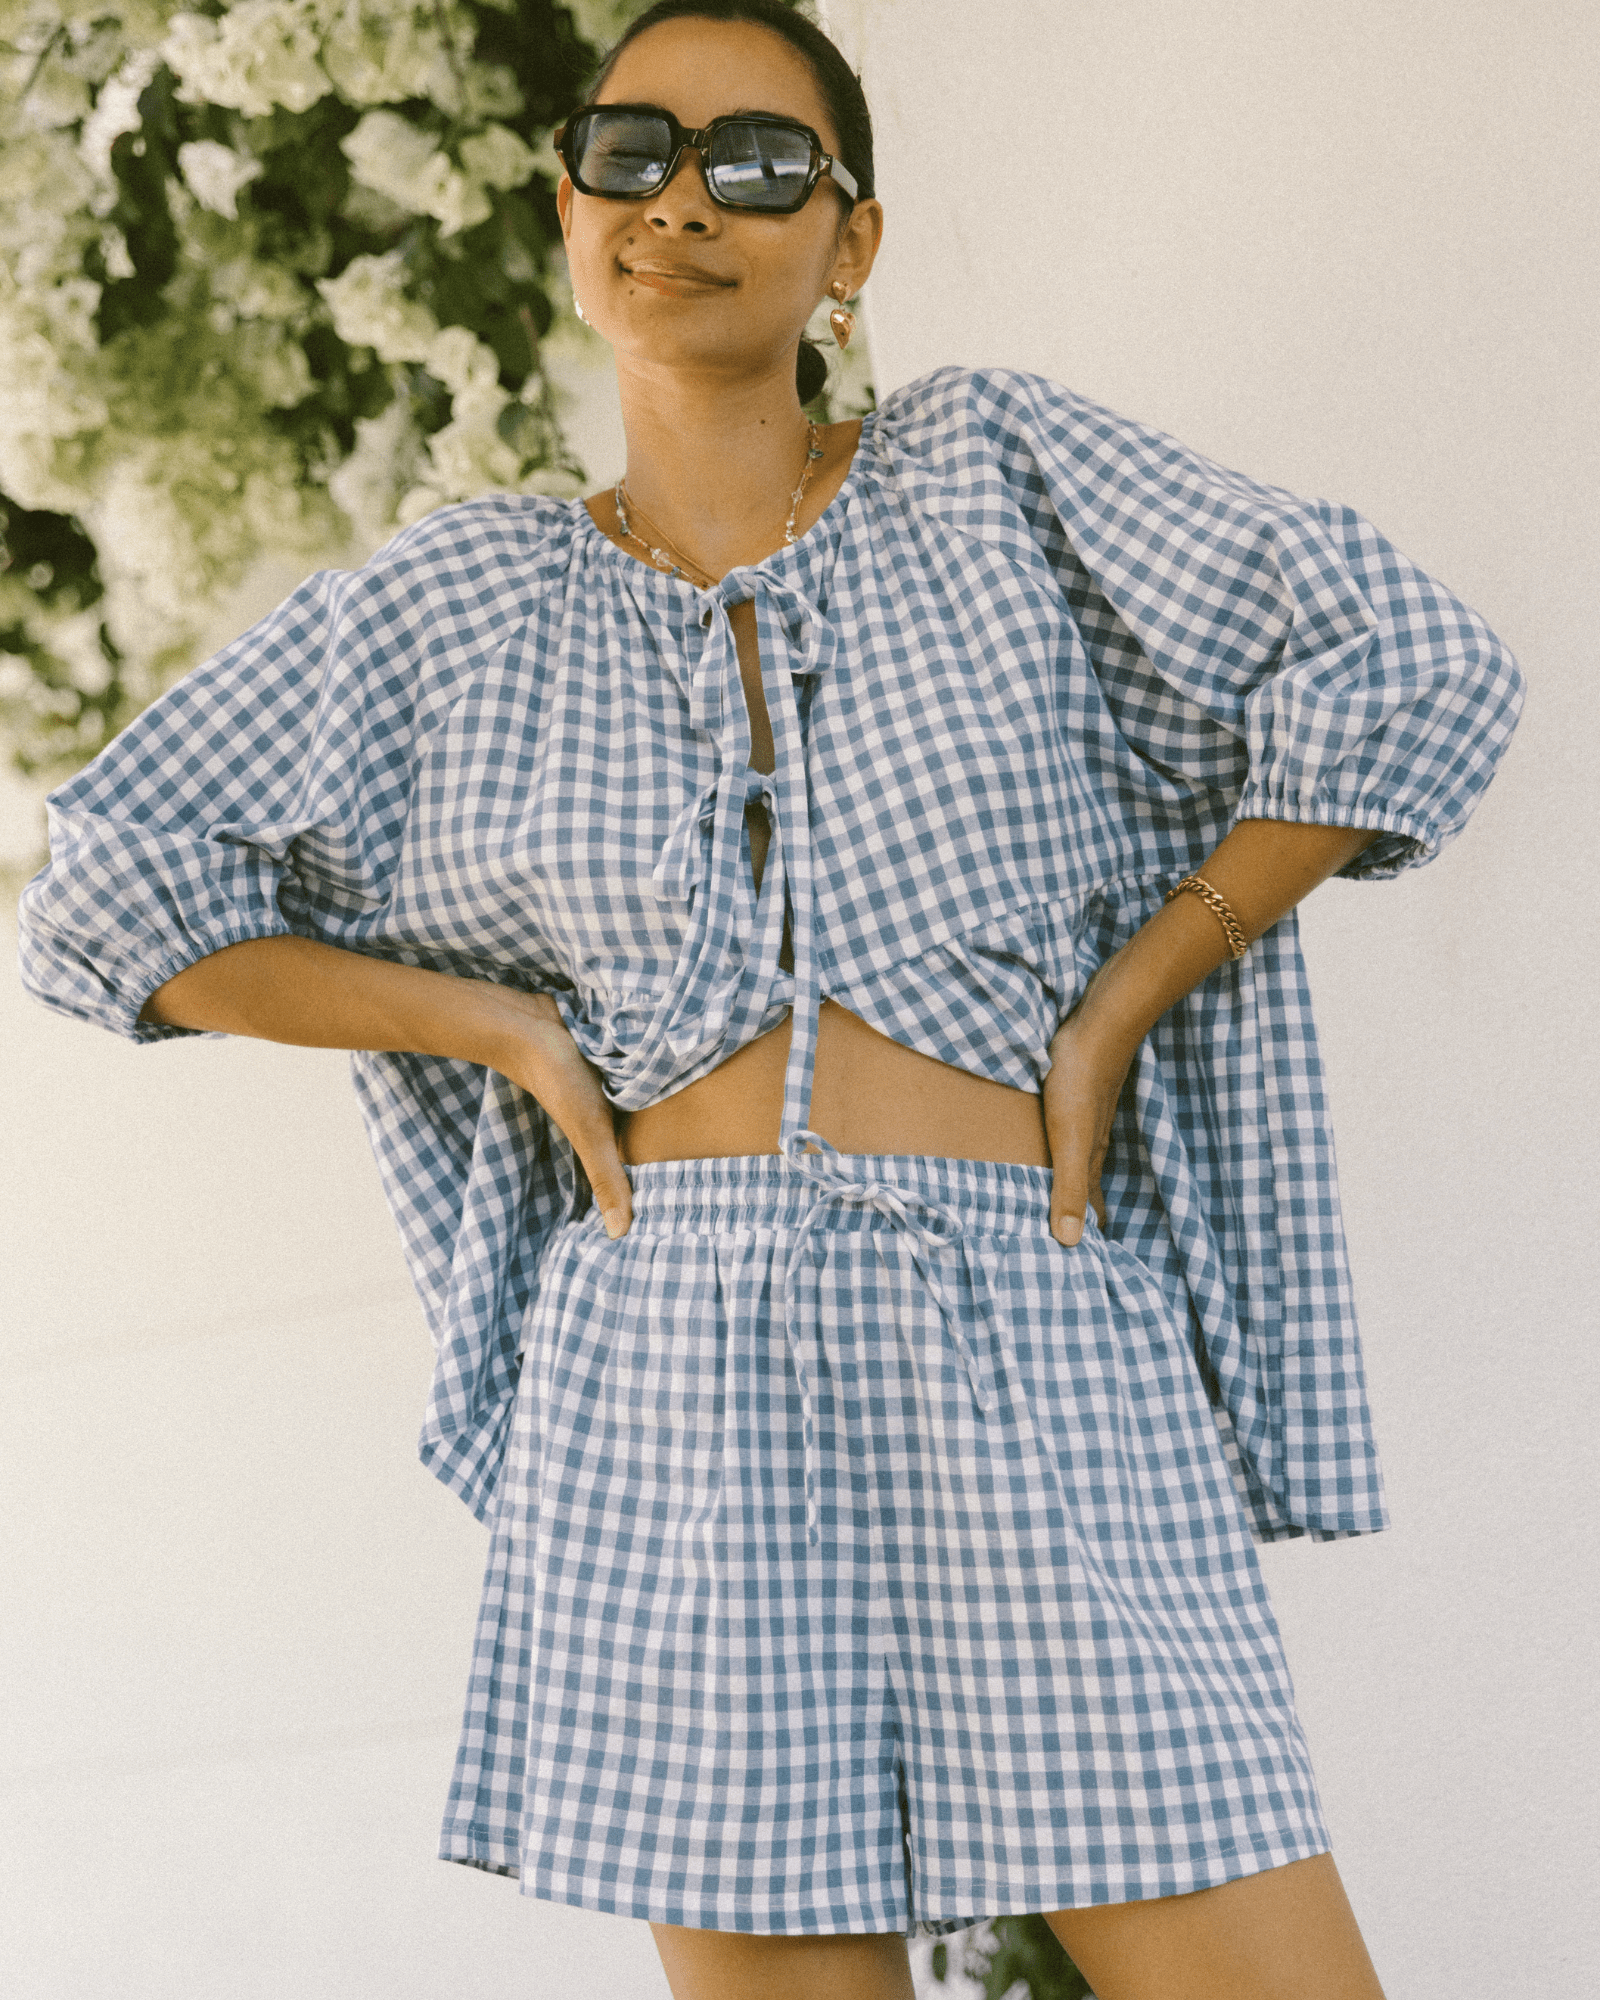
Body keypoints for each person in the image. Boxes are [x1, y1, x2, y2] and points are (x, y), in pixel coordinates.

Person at [17, 2, 1526, 1995]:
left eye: (754, 164)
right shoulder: (461, 601)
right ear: (569, 206)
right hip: (667, 1371)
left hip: (1026, 1317)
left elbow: (1408, 663)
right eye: (629, 151)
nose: (680, 202)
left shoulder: (994, 472)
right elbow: (110, 888)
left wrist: (1128, 996)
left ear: (851, 241)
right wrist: (496, 1027)